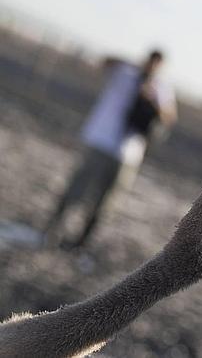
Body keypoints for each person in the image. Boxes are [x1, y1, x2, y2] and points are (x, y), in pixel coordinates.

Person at [44, 50, 177, 249]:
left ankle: (80, 242)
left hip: (127, 154)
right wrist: (136, 67)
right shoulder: (125, 73)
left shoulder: (161, 88)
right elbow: (104, 61)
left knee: (104, 201)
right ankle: (51, 230)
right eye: (151, 62)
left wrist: (152, 101)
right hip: (100, 141)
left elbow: (169, 118)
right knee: (76, 189)